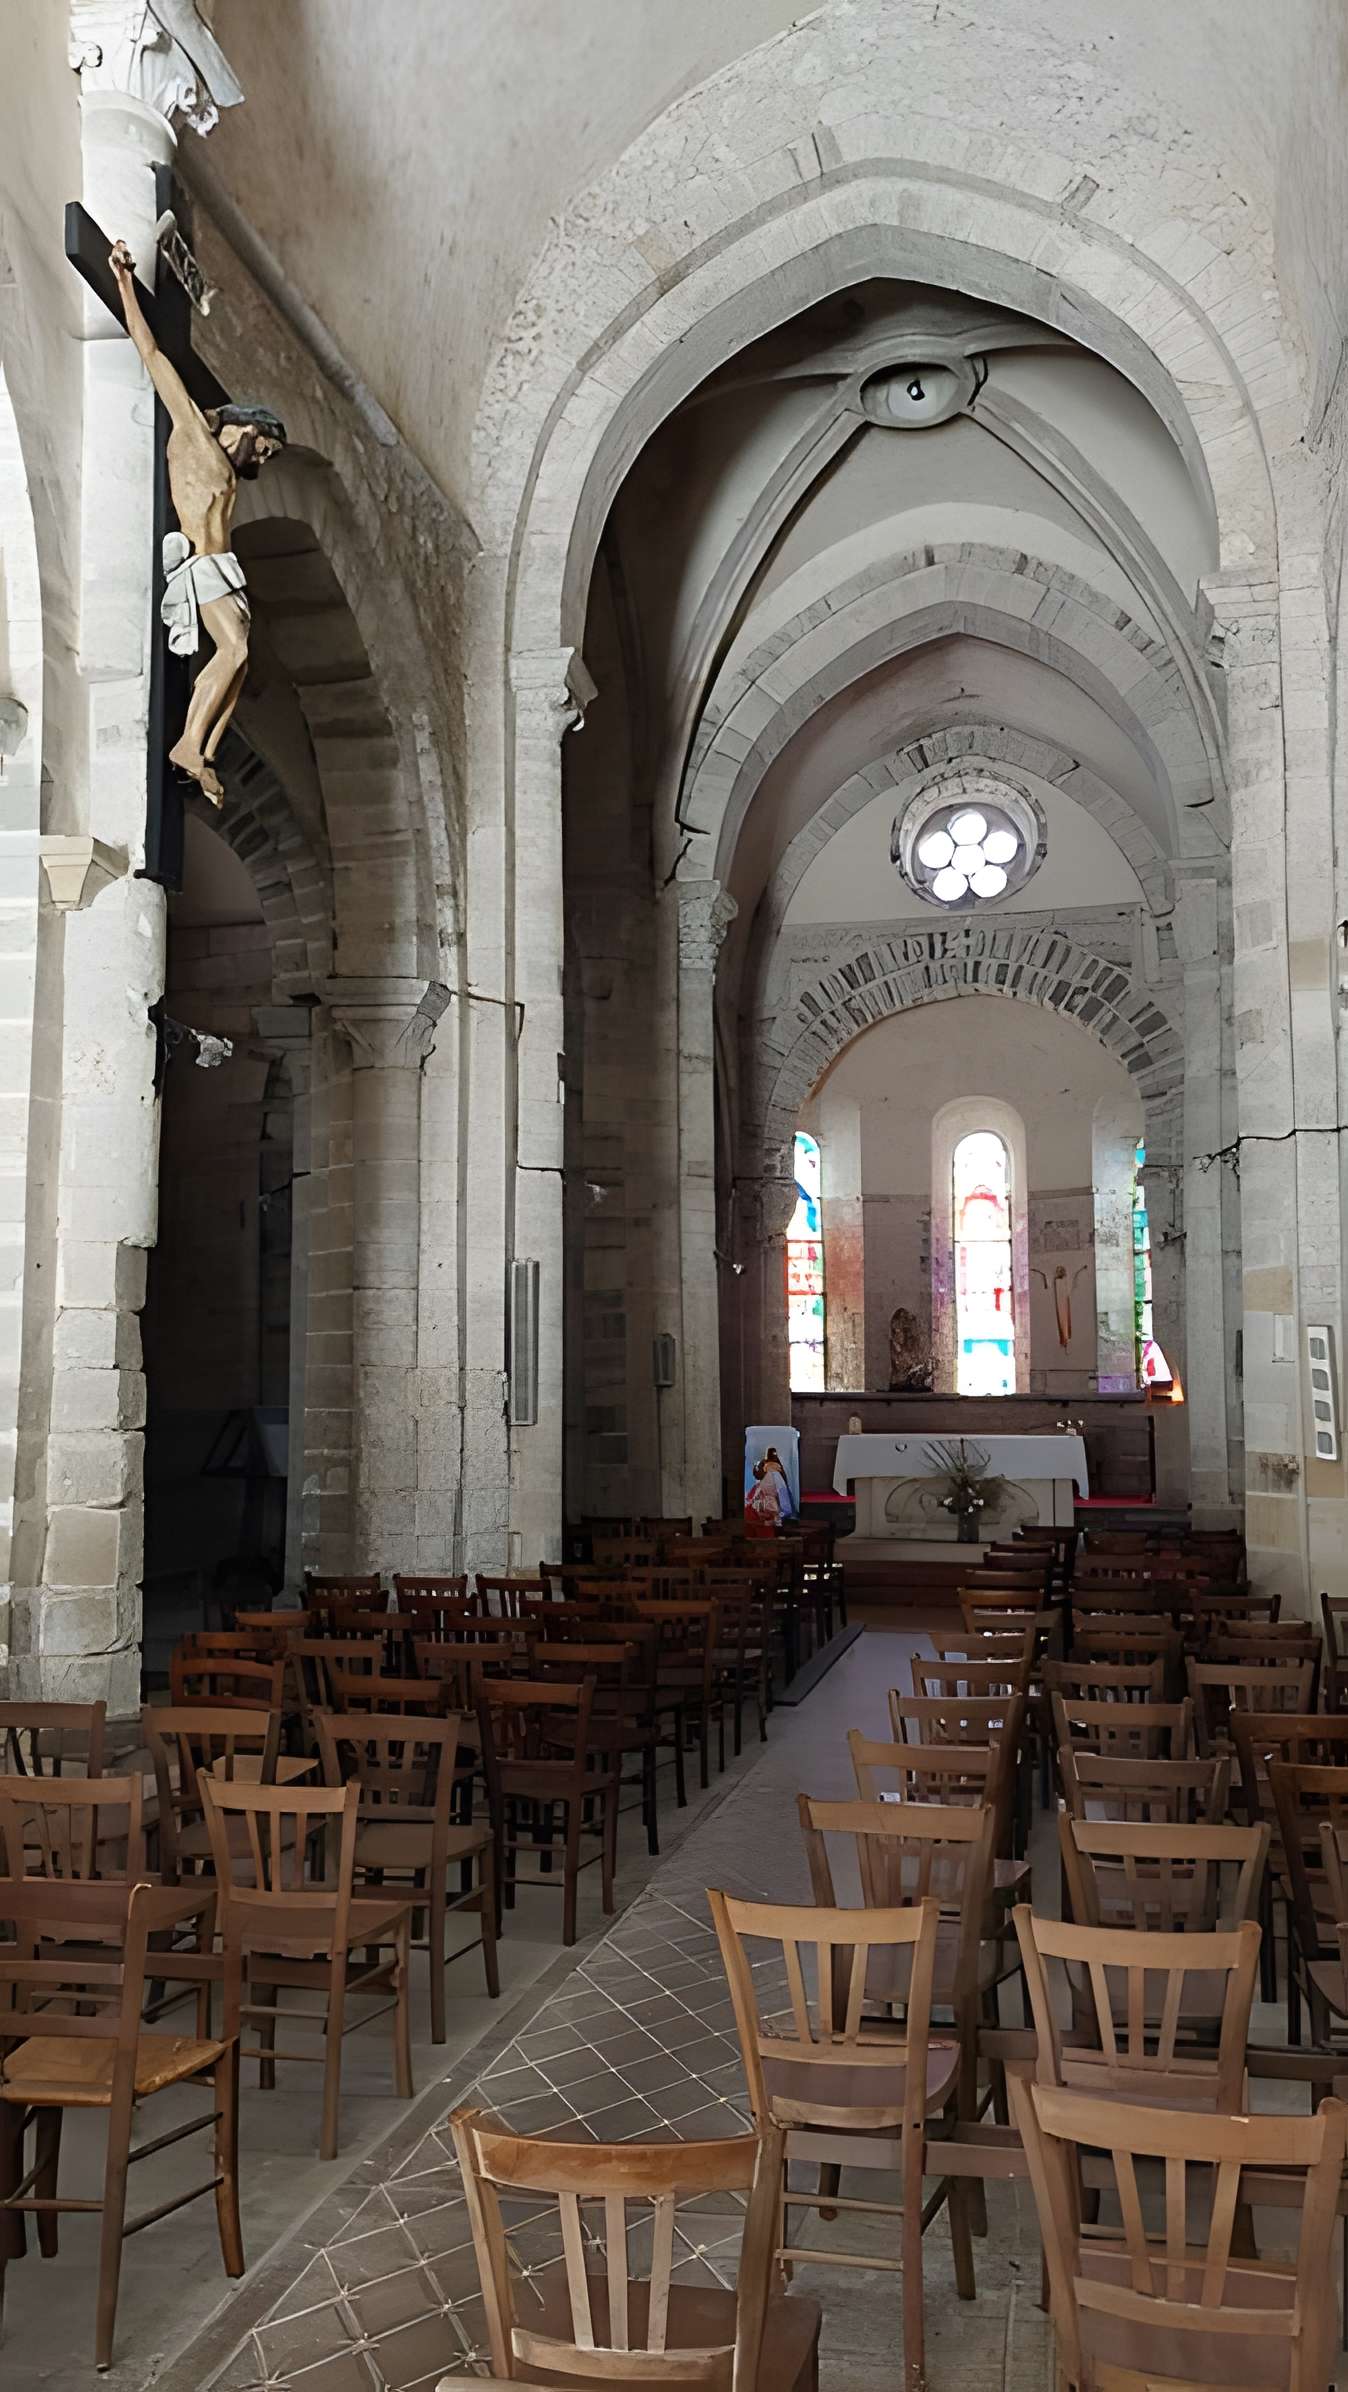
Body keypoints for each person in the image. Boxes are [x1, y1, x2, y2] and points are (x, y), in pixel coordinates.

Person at [109, 238, 287, 804]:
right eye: (263, 449)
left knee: (241, 658)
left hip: (225, 569)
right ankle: (187, 744)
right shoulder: (190, 433)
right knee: (232, 651)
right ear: (246, 429)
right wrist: (122, 282)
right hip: (202, 564)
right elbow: (153, 355)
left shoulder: (228, 465)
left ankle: (203, 749)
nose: (260, 461)